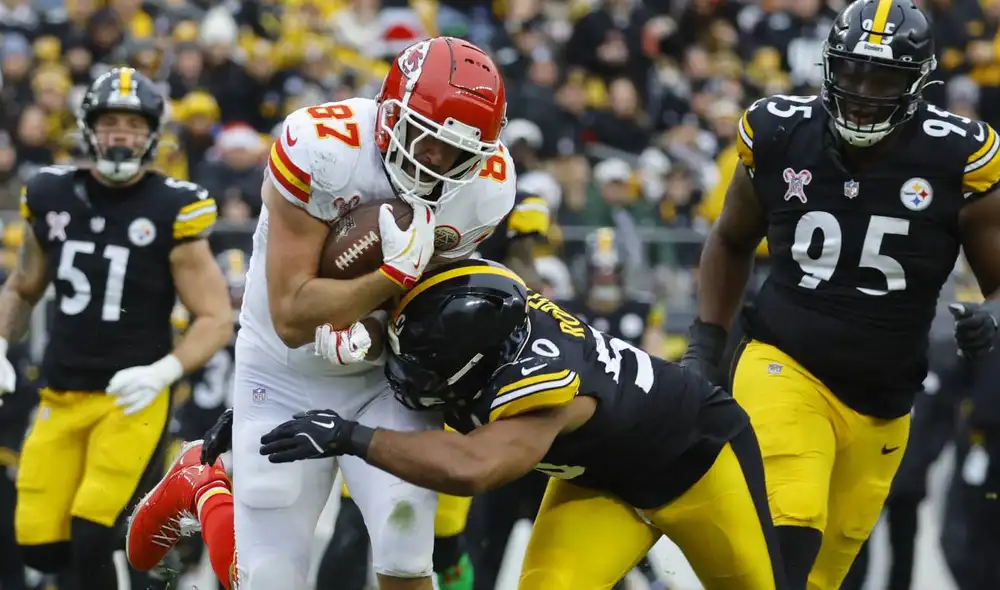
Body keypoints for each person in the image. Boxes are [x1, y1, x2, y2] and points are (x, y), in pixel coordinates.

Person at [126, 36, 515, 590]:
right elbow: (290, 314)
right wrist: (389, 277)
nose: (437, 162)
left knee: (407, 547)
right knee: (271, 577)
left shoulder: (485, 189)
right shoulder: (323, 146)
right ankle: (204, 487)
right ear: (390, 113)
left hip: (384, 381)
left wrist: (375, 330)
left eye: (457, 153)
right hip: (283, 365)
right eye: (428, 140)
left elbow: (427, 314)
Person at [679, 1, 1000, 588]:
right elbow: (728, 241)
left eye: (882, 77)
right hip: (784, 362)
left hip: (884, 400)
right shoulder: (780, 132)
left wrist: (994, 314)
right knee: (788, 528)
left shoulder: (956, 156)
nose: (861, 90)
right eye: (850, 71)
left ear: (918, 83)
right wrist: (705, 343)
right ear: (828, 66)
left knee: (818, 577)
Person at [259, 259, 787, 590]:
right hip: (601, 483)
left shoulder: (540, 386)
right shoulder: (480, 315)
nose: (406, 375)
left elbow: (473, 467)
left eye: (425, 365)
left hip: (699, 464)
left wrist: (351, 436)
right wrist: (263, 409)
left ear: (473, 364)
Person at [1, 67, 233, 590]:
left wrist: (163, 372)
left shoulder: (174, 205)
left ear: (151, 133)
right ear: (89, 129)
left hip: (131, 398)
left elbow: (215, 317)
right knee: (41, 544)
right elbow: (22, 286)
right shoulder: (49, 192)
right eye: (110, 122)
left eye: (132, 123)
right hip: (60, 394)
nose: (121, 134)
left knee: (92, 532)